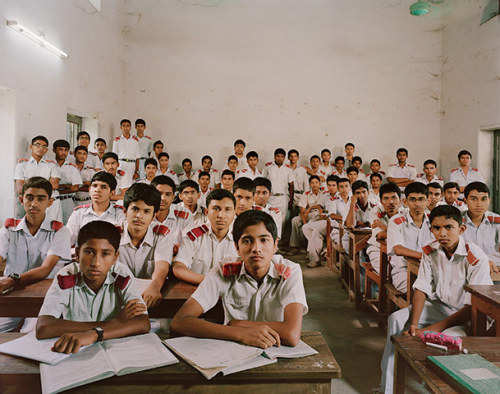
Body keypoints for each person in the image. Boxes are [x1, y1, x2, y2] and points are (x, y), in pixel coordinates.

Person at [380, 205, 493, 393]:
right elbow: (422, 289)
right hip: (440, 306)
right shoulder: (429, 251)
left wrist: (431, 330)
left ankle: (436, 387)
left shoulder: (475, 258)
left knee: (444, 340)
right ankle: (388, 388)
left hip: (468, 316)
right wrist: (415, 324)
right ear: (430, 229)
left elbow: (472, 306)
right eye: (436, 228)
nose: (442, 233)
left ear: (461, 229)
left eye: (449, 227)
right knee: (397, 320)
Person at [170, 210, 308, 348]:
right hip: (233, 352)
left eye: (264, 240)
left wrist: (239, 324)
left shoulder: (289, 271)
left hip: (275, 351)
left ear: (275, 245)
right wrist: (240, 334)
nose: (256, 248)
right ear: (236, 247)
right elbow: (179, 322)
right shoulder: (224, 270)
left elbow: (291, 335)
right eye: (247, 241)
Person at [35, 221, 150, 352]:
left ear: (115, 257)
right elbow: (43, 327)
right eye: (89, 252)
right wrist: (112, 324)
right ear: (78, 254)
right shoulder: (66, 276)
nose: (96, 263)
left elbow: (143, 323)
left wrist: (94, 334)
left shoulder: (121, 275)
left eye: (105, 254)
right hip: (75, 350)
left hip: (113, 348)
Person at [0, 177, 71, 332]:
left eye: (41, 199)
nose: (34, 204)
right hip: (12, 295)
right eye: (29, 198)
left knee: (30, 334)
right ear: (21, 199)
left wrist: (10, 280)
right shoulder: (9, 229)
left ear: (50, 202)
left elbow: (46, 269)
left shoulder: (60, 231)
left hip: (44, 299)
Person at [119, 184, 174, 307]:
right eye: (135, 209)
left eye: (147, 211)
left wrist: (155, 287)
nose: (139, 216)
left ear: (154, 216)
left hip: (148, 295)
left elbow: (162, 265)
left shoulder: (162, 234)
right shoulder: (113, 233)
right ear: (124, 211)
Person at [173, 189, 237, 285]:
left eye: (227, 209)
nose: (221, 215)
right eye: (216, 209)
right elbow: (178, 268)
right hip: (197, 290)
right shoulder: (194, 236)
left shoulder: (240, 239)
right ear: (206, 212)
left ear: (234, 213)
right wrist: (208, 281)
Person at [387, 182, 433, 293]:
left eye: (421, 199)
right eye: (413, 199)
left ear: (428, 201)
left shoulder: (433, 222)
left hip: (429, 270)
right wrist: (423, 256)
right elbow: (398, 249)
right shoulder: (397, 221)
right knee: (422, 291)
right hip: (403, 271)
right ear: (405, 202)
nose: (417, 204)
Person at [66, 171, 125, 247]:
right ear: (89, 190)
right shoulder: (79, 213)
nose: (97, 190)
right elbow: (67, 242)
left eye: (103, 187)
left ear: (112, 193)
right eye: (95, 186)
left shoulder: (120, 214)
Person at [13, 135, 62, 222]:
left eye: (44, 146)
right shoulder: (22, 165)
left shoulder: (51, 165)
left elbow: (55, 185)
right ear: (31, 146)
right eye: (37, 145)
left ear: (47, 150)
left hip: (50, 204)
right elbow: (20, 189)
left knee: (53, 229)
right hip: (30, 203)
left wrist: (29, 183)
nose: (41, 148)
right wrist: (46, 183)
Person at [302, 175, 340, 267]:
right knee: (306, 228)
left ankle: (315, 258)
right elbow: (319, 205)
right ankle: (321, 251)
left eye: (334, 185)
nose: (331, 187)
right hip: (326, 221)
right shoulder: (326, 195)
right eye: (329, 185)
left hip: (337, 223)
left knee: (315, 232)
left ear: (338, 186)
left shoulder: (341, 195)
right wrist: (320, 210)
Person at [462, 182, 500, 273]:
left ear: (489, 201)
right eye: (473, 199)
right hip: (465, 270)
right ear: (465, 200)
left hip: (493, 270)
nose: (479, 204)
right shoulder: (457, 222)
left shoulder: (496, 221)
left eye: (484, 199)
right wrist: (482, 262)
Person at [366, 183, 402, 274]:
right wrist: (400, 233)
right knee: (386, 274)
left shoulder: (405, 213)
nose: (390, 202)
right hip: (377, 249)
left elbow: (409, 235)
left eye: (394, 198)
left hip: (399, 249)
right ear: (381, 201)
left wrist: (385, 227)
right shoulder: (376, 211)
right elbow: (380, 235)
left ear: (400, 200)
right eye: (386, 198)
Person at [151, 176, 192, 252]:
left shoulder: (185, 215)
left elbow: (188, 246)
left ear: (173, 197)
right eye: (159, 193)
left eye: (168, 194)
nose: (163, 198)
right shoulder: (143, 215)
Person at [289, 175, 323, 254]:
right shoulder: (306, 194)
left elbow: (322, 208)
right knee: (294, 220)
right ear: (310, 184)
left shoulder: (324, 194)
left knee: (310, 224)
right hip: (308, 214)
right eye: (312, 183)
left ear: (320, 184)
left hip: (318, 216)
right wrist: (304, 223)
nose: (314, 185)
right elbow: (302, 211)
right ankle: (294, 246)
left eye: (316, 182)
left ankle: (308, 248)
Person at [53, 140, 83, 224]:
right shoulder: (49, 165)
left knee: (70, 226)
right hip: (52, 201)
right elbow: (48, 185)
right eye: (60, 149)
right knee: (52, 226)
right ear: (54, 150)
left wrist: (57, 190)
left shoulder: (72, 168)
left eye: (65, 150)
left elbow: (75, 188)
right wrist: (66, 186)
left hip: (67, 201)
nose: (63, 152)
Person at [262, 148, 294, 229]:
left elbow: (291, 185)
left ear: (284, 158)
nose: (279, 158)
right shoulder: (268, 167)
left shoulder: (288, 169)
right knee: (270, 219)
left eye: (282, 156)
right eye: (278, 156)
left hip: (283, 198)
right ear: (274, 157)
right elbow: (262, 182)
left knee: (282, 221)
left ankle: (279, 240)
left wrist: (291, 200)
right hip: (271, 197)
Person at [327, 178, 352, 250]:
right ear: (337, 189)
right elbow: (332, 215)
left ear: (350, 188)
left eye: (346, 186)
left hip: (352, 230)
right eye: (341, 187)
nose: (344, 189)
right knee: (347, 245)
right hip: (338, 231)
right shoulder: (334, 201)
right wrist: (346, 219)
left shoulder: (354, 201)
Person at [112, 119, 140, 184]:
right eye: (124, 126)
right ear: (121, 127)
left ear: (130, 127)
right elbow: (114, 157)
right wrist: (115, 169)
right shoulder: (117, 140)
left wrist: (137, 171)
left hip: (132, 165)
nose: (126, 128)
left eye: (127, 126)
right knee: (120, 183)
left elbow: (137, 157)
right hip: (121, 164)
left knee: (131, 184)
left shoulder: (135, 140)